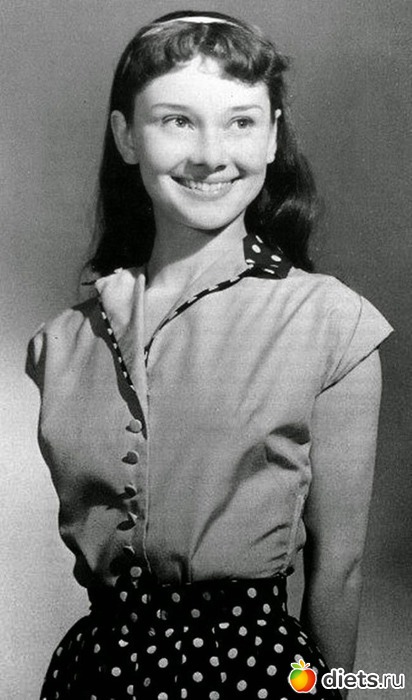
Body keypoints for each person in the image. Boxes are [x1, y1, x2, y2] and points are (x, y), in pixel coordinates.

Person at [27, 9, 393, 700]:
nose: (210, 153)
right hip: (93, 677)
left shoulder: (331, 322)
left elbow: (339, 571)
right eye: (177, 121)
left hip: (255, 677)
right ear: (126, 136)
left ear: (273, 136)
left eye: (240, 122)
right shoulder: (62, 342)